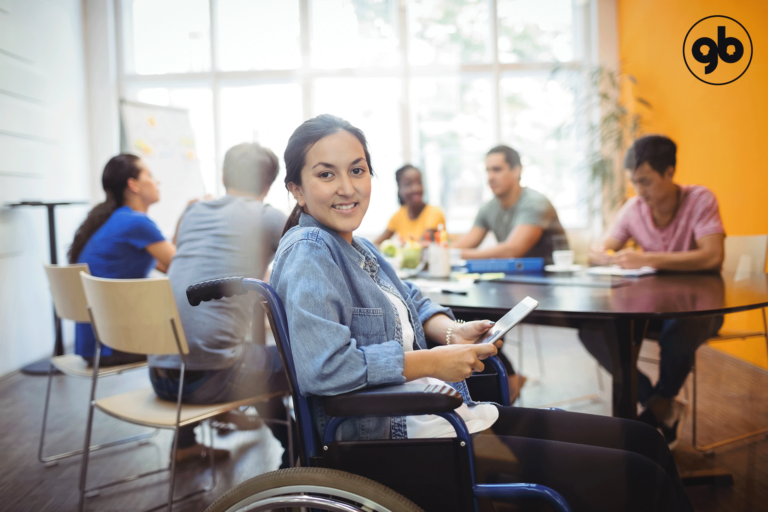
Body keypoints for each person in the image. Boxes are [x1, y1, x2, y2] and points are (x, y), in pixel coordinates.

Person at [270, 114, 693, 512]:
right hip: (403, 438)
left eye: (357, 170)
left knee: (645, 440)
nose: (347, 187)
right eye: (326, 174)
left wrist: (452, 331)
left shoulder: (354, 246)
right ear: (297, 189)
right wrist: (435, 361)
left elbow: (412, 299)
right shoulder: (310, 250)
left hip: (440, 417)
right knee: (642, 472)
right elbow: (324, 368)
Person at [148, 142, 294, 466]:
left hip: (159, 375)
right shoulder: (268, 217)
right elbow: (306, 270)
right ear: (269, 185)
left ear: (224, 176)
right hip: (208, 381)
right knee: (300, 358)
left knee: (232, 351)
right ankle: (297, 451)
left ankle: (184, 442)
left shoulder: (193, 212)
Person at [579, 134, 725, 448]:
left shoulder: (700, 199)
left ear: (670, 172)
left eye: (645, 181)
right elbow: (600, 248)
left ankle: (653, 410)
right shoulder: (634, 207)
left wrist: (646, 258)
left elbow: (713, 256)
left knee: (681, 326)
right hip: (652, 309)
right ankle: (660, 405)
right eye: (634, 182)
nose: (639, 191)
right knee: (592, 331)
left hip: (701, 310)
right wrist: (602, 253)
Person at [68, 154, 175, 366]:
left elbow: (166, 264)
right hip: (114, 345)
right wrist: (189, 214)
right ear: (133, 185)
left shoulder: (115, 220)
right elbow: (182, 264)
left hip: (92, 345)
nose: (157, 181)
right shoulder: (136, 223)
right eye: (150, 175)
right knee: (193, 338)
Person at [451, 145, 567, 264]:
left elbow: (511, 251)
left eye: (497, 170)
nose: (490, 177)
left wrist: (455, 255)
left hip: (550, 278)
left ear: (517, 171)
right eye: (488, 171)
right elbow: (464, 244)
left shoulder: (535, 203)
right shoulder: (488, 208)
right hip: (514, 278)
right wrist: (440, 251)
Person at [373, 164, 446, 245]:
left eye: (419, 182)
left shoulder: (435, 213)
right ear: (399, 189)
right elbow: (376, 244)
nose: (416, 188)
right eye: (408, 184)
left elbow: (418, 246)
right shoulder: (398, 216)